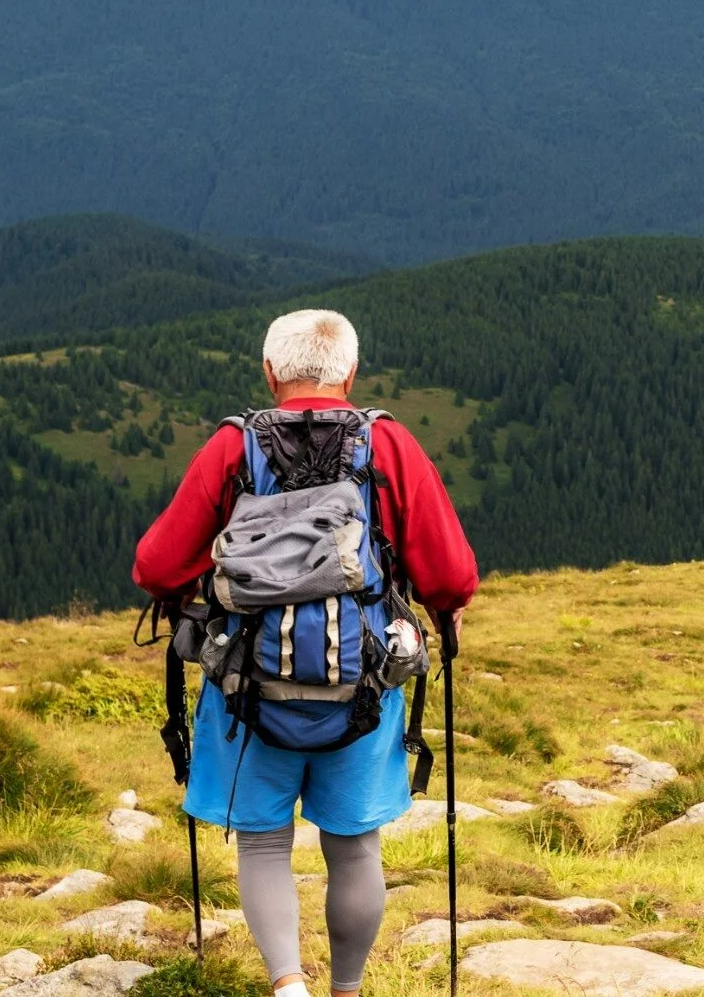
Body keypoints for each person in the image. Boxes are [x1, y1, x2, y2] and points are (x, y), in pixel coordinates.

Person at [133, 308, 478, 997]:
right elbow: (449, 574)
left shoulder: (232, 449)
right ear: (349, 373)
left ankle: (288, 986)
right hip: (363, 684)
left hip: (247, 688)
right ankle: (345, 991)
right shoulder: (389, 445)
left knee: (263, 843)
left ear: (269, 372)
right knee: (352, 846)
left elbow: (157, 566)